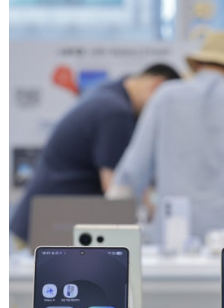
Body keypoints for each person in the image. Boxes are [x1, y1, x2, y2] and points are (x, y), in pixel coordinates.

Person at [108, 30, 224, 242]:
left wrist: (109, 236)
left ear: (198, 64)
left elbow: (132, 172)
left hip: (172, 237)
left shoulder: (165, 97)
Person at [9, 64, 180, 243]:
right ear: (156, 86)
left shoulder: (107, 94)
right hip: (52, 229)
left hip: (47, 223)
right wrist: (153, 214)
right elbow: (116, 188)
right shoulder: (116, 112)